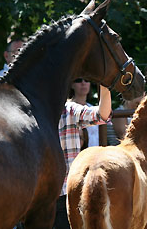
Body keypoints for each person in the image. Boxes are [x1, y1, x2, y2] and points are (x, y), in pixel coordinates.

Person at [54, 85, 112, 229]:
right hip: (39, 197)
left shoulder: (69, 110)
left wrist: (105, 87)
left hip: (67, 194)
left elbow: (102, 115)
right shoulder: (29, 112)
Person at [68, 78, 102, 147]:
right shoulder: (67, 110)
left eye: (86, 80)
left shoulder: (94, 109)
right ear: (72, 85)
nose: (83, 83)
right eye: (78, 80)